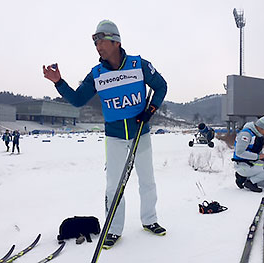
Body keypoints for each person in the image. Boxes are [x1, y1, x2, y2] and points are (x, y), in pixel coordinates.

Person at [43, 20, 167, 249]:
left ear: (115, 41)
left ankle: (150, 221)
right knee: (113, 185)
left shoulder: (138, 65)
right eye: (95, 42)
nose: (97, 45)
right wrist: (59, 82)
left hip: (141, 132)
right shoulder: (97, 74)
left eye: (101, 40)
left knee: (147, 180)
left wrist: (150, 110)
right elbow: (78, 100)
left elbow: (161, 86)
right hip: (115, 136)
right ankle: (114, 229)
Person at [232, 115, 264, 192]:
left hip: (251, 164)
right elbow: (239, 152)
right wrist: (258, 157)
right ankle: (250, 182)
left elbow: (257, 153)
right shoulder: (246, 134)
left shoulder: (257, 136)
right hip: (243, 165)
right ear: (261, 127)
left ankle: (244, 178)